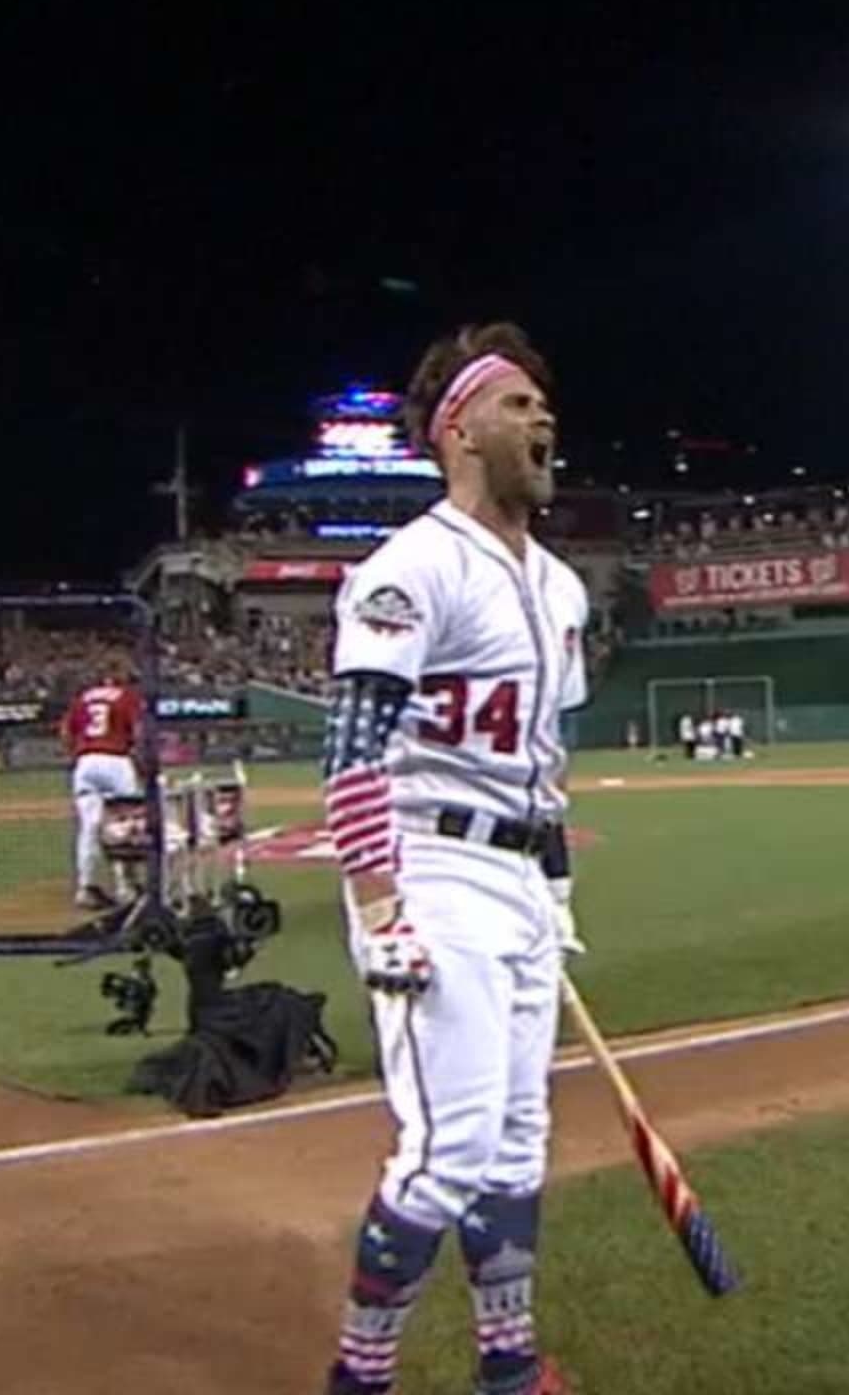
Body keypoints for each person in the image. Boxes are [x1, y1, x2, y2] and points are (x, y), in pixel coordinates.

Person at [317, 323, 589, 1395]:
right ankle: (361, 1377)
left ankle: (508, 1365)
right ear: (458, 429)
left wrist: (556, 896)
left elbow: (544, 764)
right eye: (518, 405)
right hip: (434, 874)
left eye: (543, 405)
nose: (543, 420)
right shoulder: (411, 568)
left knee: (518, 1145)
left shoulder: (559, 587)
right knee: (449, 1151)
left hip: (521, 881)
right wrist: (382, 909)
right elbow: (349, 755)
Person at [62, 668, 145, 911]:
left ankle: (85, 887)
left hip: (86, 761)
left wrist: (76, 756)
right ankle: (125, 887)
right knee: (124, 825)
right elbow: (138, 731)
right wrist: (142, 762)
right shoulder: (128, 696)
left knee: (89, 827)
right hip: (117, 761)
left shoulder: (84, 697)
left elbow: (66, 731)